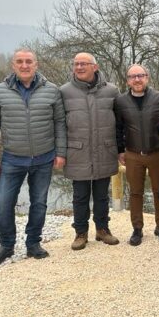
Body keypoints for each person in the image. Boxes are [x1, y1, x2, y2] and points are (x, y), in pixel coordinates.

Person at [0, 48, 66, 265]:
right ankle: (7, 245)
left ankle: (33, 243)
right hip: (12, 158)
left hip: (44, 158)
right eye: (20, 61)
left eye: (29, 61)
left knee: (39, 203)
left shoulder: (52, 90)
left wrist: (61, 152)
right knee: (4, 203)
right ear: (13, 65)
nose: (24, 65)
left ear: (36, 65)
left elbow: (60, 124)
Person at [60, 53, 120, 250]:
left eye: (83, 64)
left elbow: (120, 123)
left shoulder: (111, 91)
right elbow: (59, 125)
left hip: (104, 150)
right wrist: (60, 152)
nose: (79, 67)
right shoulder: (64, 92)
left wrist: (120, 149)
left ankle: (102, 229)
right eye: (76, 64)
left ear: (95, 67)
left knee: (102, 195)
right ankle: (80, 233)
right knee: (80, 196)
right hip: (78, 152)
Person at [114, 64, 159, 245]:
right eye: (132, 76)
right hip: (133, 153)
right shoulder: (121, 101)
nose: (137, 79)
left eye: (141, 75)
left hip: (157, 152)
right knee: (135, 192)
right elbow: (118, 128)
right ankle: (137, 228)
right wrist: (120, 150)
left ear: (147, 77)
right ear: (127, 80)